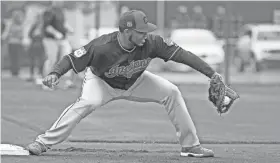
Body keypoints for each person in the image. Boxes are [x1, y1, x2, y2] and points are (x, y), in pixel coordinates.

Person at [26, 10, 222, 157]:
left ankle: (190, 145)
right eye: (141, 31)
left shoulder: (152, 43)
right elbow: (71, 58)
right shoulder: (101, 46)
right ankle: (43, 142)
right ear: (127, 31)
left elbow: (183, 56)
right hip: (101, 82)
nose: (145, 35)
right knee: (87, 103)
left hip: (135, 80)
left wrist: (212, 74)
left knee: (171, 92)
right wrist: (55, 73)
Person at [41, 1, 75, 90]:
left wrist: (69, 28)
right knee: (52, 59)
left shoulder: (61, 11)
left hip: (62, 39)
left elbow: (63, 23)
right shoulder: (49, 11)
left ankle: (64, 82)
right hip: (50, 39)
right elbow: (47, 26)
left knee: (66, 59)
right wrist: (56, 33)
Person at [1, 9, 26, 77]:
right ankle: (13, 71)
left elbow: (22, 34)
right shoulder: (10, 24)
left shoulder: (20, 24)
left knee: (17, 58)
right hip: (12, 43)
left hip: (17, 43)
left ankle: (16, 71)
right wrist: (3, 38)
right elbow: (6, 33)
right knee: (13, 58)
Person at [26, 13, 46, 82]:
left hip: (41, 45)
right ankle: (31, 75)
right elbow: (29, 34)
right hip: (33, 45)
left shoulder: (44, 27)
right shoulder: (33, 26)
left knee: (41, 61)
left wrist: (39, 36)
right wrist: (34, 35)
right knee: (32, 61)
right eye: (37, 18)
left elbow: (45, 36)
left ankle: (40, 74)